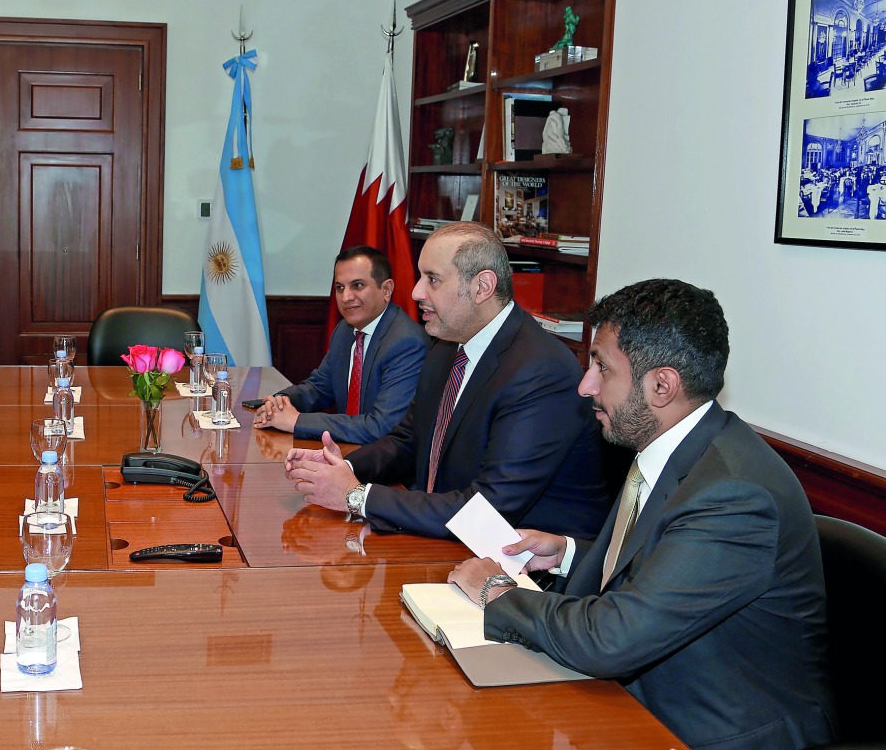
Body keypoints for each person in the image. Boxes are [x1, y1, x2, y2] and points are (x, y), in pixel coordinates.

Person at [449, 278, 834, 750]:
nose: (585, 385)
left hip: (712, 729)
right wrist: (569, 554)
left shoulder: (734, 494)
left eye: (601, 367)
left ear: (661, 385)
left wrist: (496, 590)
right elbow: (668, 562)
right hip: (634, 699)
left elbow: (612, 639)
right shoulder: (676, 445)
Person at [285, 222, 608, 540]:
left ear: (482, 287)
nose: (415, 292)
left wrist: (356, 496)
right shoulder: (447, 344)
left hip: (526, 567)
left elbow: (487, 510)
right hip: (444, 534)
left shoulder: (540, 372)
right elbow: (408, 440)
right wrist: (344, 469)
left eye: (433, 279)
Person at [253, 245, 428, 444]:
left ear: (386, 290)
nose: (346, 297)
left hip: (384, 467)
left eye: (358, 286)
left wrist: (297, 421)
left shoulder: (406, 343)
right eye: (340, 287)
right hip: (345, 452)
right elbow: (319, 388)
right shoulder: (345, 331)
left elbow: (382, 427)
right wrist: (281, 401)